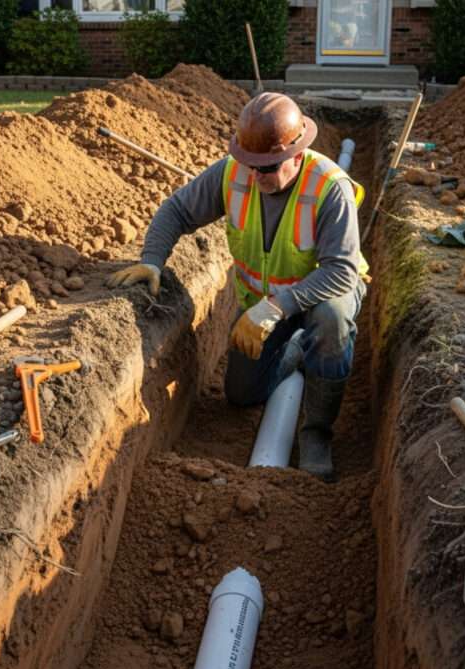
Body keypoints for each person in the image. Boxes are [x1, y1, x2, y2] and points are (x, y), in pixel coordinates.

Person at [106, 93, 366, 481]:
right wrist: (152, 259)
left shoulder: (329, 188)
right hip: (264, 307)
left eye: (269, 166)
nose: (257, 175)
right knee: (241, 394)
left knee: (331, 321)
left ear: (298, 154)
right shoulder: (234, 173)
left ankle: (316, 435)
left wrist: (277, 307)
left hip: (320, 297)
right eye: (251, 164)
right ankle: (295, 353)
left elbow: (342, 271)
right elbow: (175, 209)